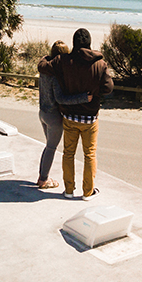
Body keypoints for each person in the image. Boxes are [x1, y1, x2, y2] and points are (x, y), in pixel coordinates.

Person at [38, 28, 113, 200]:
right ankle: (88, 192)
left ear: (74, 43)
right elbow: (108, 88)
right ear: (89, 43)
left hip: (69, 117)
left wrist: (46, 56)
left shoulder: (63, 61)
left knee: (68, 153)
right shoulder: (100, 64)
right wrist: (94, 91)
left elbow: (42, 66)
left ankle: (69, 190)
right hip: (90, 118)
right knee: (89, 154)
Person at [36, 40, 91, 190]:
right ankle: (43, 180)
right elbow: (60, 99)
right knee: (51, 148)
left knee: (49, 147)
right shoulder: (56, 76)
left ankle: (42, 176)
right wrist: (83, 98)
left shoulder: (44, 70)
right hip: (53, 116)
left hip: (42, 112)